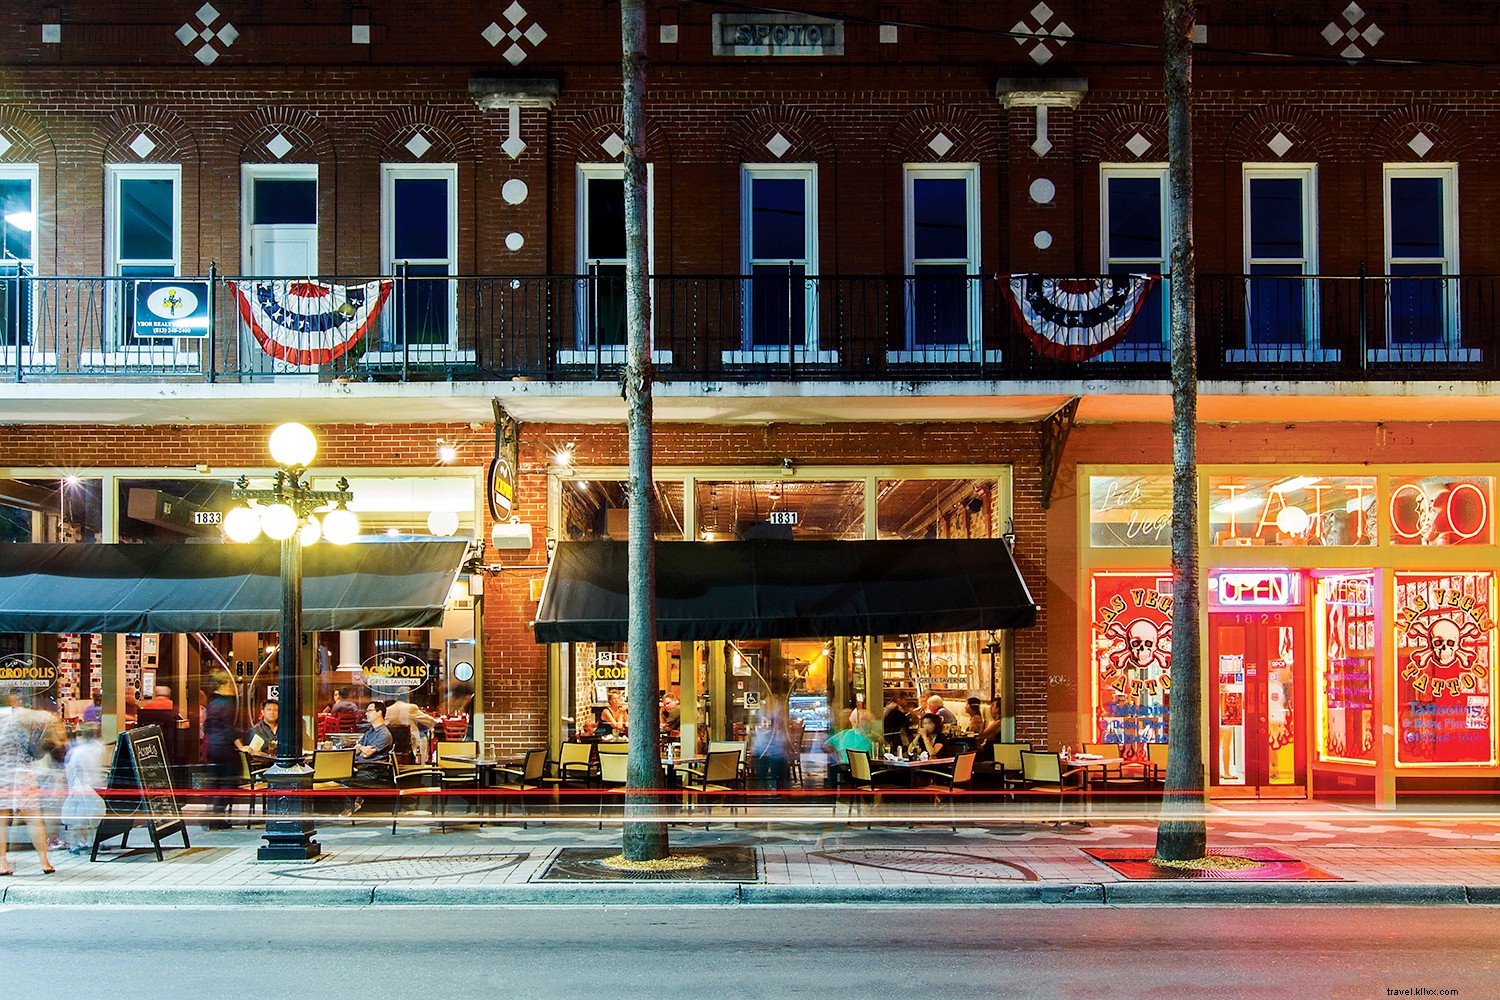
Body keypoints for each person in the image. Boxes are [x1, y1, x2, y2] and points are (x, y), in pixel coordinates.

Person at [0, 704, 58, 874]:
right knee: (33, 818)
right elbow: (47, 718)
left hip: (2, 772)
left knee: (1, 819)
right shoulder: (20, 715)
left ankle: (2, 862)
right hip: (22, 772)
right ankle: (44, 861)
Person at [200, 670, 238, 830]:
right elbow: (227, 727)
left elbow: (209, 724)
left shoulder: (212, 702)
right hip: (224, 748)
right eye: (229, 683)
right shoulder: (225, 703)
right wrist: (241, 743)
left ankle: (216, 816)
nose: (231, 687)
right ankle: (217, 816)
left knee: (217, 782)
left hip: (212, 747)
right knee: (228, 782)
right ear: (223, 685)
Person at [60, 732, 106, 854]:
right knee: (87, 817)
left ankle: (77, 843)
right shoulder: (98, 748)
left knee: (77, 817)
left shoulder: (77, 752)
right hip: (87, 788)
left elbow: (71, 771)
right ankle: (85, 842)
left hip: (80, 788)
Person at [750, 691, 794, 791]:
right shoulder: (776, 708)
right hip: (766, 747)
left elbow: (783, 727)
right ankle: (771, 795)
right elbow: (784, 727)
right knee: (767, 776)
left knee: (772, 775)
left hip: (770, 747)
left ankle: (770, 794)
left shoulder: (765, 708)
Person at [385, 695, 438, 763]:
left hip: (392, 742)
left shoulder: (388, 709)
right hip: (409, 740)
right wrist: (434, 722)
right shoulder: (410, 707)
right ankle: (423, 764)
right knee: (423, 738)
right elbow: (428, 720)